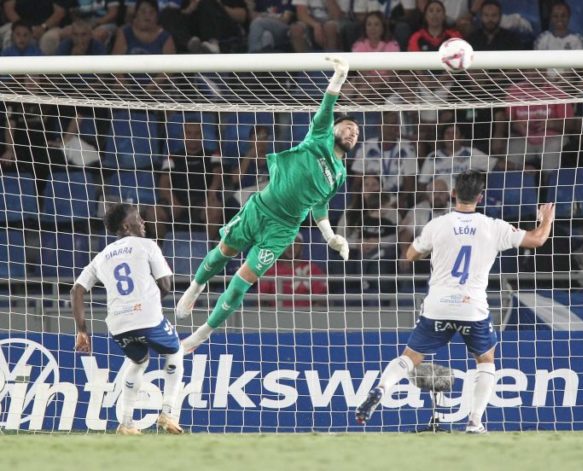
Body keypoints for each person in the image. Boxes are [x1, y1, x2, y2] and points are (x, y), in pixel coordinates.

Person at [177, 57, 358, 352]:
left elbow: (320, 206)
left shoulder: (339, 175)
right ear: (336, 128)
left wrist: (331, 237)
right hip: (259, 208)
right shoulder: (320, 136)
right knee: (222, 254)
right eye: (349, 127)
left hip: (283, 230)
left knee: (242, 280)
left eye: (357, 133)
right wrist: (338, 77)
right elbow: (327, 105)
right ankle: (195, 288)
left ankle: (200, 335)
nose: (353, 133)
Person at [355, 170, 555, 432]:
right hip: (472, 307)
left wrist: (432, 250)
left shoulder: (437, 224)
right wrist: (546, 219)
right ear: (480, 197)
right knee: (486, 360)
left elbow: (410, 254)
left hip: (438, 303)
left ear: (453, 194)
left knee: (409, 358)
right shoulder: (493, 226)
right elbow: (537, 240)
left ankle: (381, 388)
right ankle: (474, 422)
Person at [70, 204, 184, 435]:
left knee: (139, 362)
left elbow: (76, 290)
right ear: (125, 226)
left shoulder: (100, 257)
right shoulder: (147, 245)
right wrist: (147, 300)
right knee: (175, 352)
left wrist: (82, 330)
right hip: (147, 317)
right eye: (138, 218)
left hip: (118, 324)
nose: (143, 222)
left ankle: (127, 423)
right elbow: (166, 286)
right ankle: (169, 414)